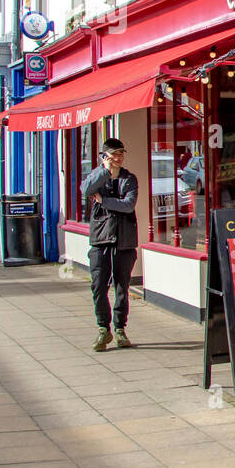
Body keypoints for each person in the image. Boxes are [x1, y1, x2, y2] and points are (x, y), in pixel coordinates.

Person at [81, 138, 140, 352]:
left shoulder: (129, 179)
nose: (118, 158)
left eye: (121, 154)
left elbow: (128, 205)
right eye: (114, 154)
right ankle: (103, 329)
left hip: (124, 241)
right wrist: (104, 172)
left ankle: (120, 329)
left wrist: (103, 201)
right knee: (98, 287)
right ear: (104, 156)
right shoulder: (98, 177)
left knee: (121, 287)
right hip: (100, 239)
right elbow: (86, 190)